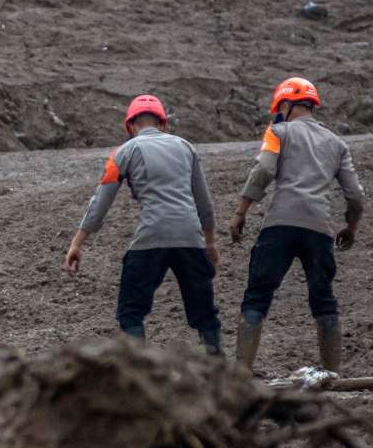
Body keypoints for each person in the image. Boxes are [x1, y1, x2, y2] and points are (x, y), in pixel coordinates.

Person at [62, 95, 221, 353]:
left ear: (131, 126)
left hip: (150, 238)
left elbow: (100, 203)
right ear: (162, 124)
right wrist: (210, 243)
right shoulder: (186, 147)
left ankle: (138, 367)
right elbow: (204, 203)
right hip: (191, 239)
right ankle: (216, 362)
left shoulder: (123, 152)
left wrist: (76, 243)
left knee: (131, 312)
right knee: (205, 313)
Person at [229, 77, 364, 374]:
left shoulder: (277, 131)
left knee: (257, 296)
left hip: (279, 224)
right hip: (319, 228)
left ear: (287, 105)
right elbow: (355, 194)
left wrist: (241, 211)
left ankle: (241, 375)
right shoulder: (337, 144)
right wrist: (351, 227)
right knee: (324, 300)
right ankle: (331, 374)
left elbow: (264, 169)